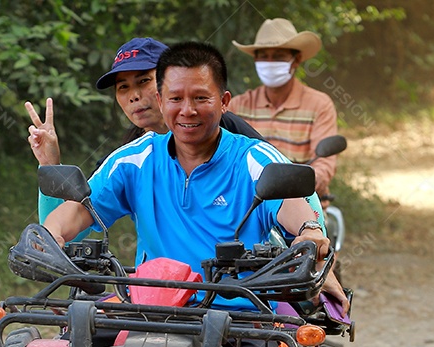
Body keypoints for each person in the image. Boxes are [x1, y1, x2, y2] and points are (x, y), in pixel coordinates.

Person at [41, 41, 345, 311]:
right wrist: (49, 236)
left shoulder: (253, 157)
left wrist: (310, 233)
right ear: (161, 101)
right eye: (175, 99)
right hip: (150, 312)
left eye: (201, 98)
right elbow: (78, 210)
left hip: (241, 315)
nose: (187, 110)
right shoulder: (132, 160)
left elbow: (293, 202)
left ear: (224, 102)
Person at [26, 37, 265, 225]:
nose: (134, 96)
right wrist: (50, 167)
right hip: (163, 279)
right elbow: (66, 226)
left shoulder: (229, 133)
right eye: (123, 87)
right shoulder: (128, 159)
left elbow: (281, 193)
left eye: (143, 81)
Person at [229, 19, 339, 198]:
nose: (270, 62)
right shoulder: (238, 106)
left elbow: (323, 165)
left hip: (303, 203)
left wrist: (308, 181)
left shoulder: (319, 105)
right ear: (256, 60)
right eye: (264, 56)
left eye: (279, 56)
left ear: (296, 60)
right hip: (250, 205)